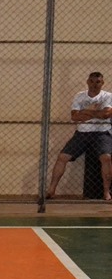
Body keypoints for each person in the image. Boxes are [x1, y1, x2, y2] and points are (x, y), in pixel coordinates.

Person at [46, 72, 112, 200]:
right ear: (87, 82)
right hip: (82, 133)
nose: (94, 84)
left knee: (106, 158)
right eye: (92, 81)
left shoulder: (108, 96)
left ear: (102, 83)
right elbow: (74, 116)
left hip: (101, 133)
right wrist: (95, 112)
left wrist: (85, 111)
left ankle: (106, 193)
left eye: (98, 82)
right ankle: (51, 190)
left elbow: (106, 114)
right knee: (62, 157)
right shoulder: (79, 96)